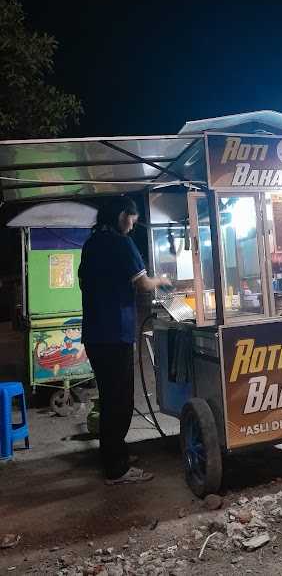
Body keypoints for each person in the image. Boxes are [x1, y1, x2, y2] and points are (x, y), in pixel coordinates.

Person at [79, 196, 170, 485]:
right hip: (114, 333)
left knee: (109, 398)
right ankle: (116, 469)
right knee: (120, 401)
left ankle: (113, 454)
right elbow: (142, 283)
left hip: (95, 334)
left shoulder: (91, 243)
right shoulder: (120, 243)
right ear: (121, 216)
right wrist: (162, 280)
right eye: (131, 219)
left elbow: (83, 282)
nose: (132, 226)